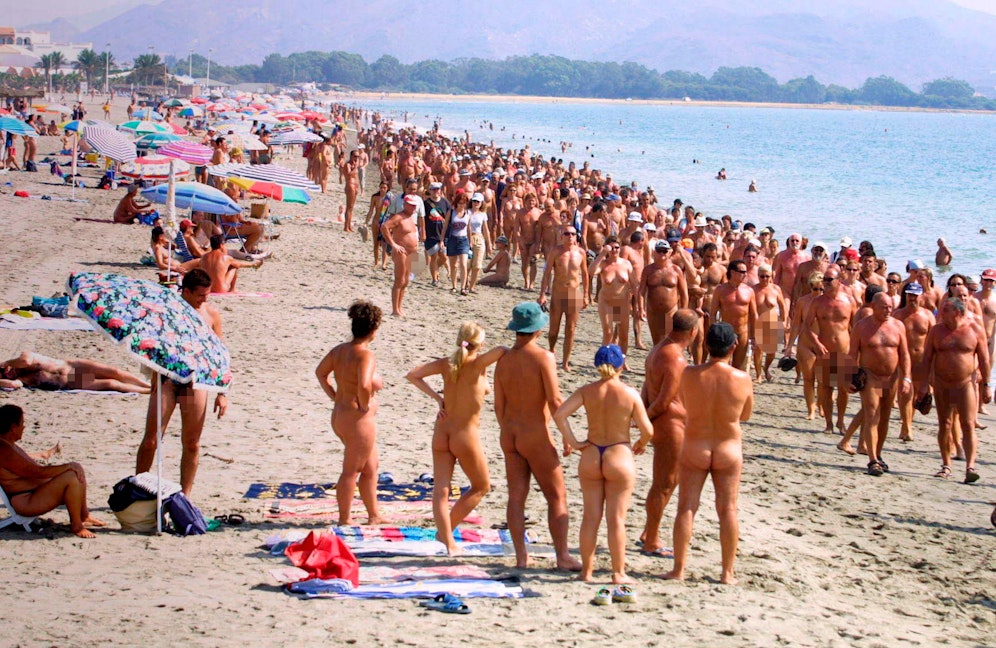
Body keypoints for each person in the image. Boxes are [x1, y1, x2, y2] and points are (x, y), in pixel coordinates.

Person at [493, 303, 582, 571]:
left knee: (516, 497)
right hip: (535, 433)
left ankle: (521, 557)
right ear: (537, 329)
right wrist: (567, 435)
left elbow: (499, 405)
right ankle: (563, 556)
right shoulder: (544, 357)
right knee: (556, 496)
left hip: (510, 433)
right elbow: (555, 400)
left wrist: (508, 429)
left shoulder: (503, 360)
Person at [554, 344, 652, 584]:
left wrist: (574, 442)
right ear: (621, 366)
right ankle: (618, 573)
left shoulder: (587, 391)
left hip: (591, 454)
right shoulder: (629, 393)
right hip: (618, 453)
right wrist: (641, 443)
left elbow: (560, 415)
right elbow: (648, 430)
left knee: (590, 517)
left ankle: (586, 572)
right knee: (616, 519)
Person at [664, 323, 753, 585]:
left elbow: (686, 403)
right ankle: (727, 573)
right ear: (733, 346)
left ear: (706, 345)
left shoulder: (690, 374)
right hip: (727, 446)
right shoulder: (742, 378)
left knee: (686, 507)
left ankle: (679, 569)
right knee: (728, 510)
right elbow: (745, 414)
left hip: (696, 444)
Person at [406, 322, 506, 555]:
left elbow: (413, 375)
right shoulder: (478, 364)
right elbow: (502, 350)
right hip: (465, 434)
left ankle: (447, 540)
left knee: (441, 490)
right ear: (480, 343)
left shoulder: (447, 363)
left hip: (442, 430)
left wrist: (438, 398)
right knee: (481, 486)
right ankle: (446, 533)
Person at [136, 269, 228, 496]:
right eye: (200, 295)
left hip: (195, 381)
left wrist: (222, 392)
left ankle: (185, 495)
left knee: (192, 443)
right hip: (168, 378)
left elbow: (219, 353)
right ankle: (137, 489)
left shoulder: (211, 315)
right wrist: (154, 373)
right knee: (151, 440)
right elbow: (152, 342)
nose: (204, 299)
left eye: (207, 295)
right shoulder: (169, 311)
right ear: (186, 291)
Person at [315, 301, 384, 525]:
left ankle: (374, 515)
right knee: (351, 471)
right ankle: (344, 519)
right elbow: (364, 384)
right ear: (374, 330)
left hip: (340, 415)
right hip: (357, 420)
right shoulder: (365, 355)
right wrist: (364, 405)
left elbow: (320, 373)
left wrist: (334, 396)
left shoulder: (340, 350)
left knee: (371, 467)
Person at [640, 308, 697, 556]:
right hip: (670, 424)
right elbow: (664, 400)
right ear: (693, 332)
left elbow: (647, 385)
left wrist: (643, 413)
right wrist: (645, 418)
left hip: (662, 422)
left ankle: (648, 532)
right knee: (664, 484)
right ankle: (652, 540)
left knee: (666, 482)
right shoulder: (676, 359)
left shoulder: (658, 349)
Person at [0, 404, 104, 538]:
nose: (24, 427)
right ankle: (76, 525)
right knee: (71, 476)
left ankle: (84, 515)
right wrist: (67, 466)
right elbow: (36, 472)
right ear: (13, 427)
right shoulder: (4, 450)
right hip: (26, 502)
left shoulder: (8, 444)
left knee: (76, 470)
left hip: (33, 493)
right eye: (22, 423)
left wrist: (69, 466)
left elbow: (30, 467)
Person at [920, 298, 991, 483]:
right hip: (942, 384)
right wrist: (923, 385)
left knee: (968, 424)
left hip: (965, 384)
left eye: (945, 310)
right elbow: (927, 358)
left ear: (958, 312)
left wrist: (987, 386)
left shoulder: (975, 329)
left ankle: (970, 466)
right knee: (945, 424)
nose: (941, 313)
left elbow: (984, 359)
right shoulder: (936, 331)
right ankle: (946, 465)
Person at [848, 293, 912, 476]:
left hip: (891, 378)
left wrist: (906, 378)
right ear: (874, 306)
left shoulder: (898, 326)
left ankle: (878, 453)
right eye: (884, 307)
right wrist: (848, 377)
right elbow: (852, 354)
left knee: (884, 417)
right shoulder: (861, 327)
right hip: (870, 376)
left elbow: (904, 354)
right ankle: (872, 459)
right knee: (872, 414)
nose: (888, 310)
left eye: (890, 307)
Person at [804, 265, 856, 435]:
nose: (825, 282)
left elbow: (856, 327)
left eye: (829, 280)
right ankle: (828, 423)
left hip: (844, 350)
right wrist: (817, 343)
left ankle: (840, 421)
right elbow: (807, 326)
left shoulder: (849, 301)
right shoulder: (817, 302)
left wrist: (856, 352)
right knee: (826, 387)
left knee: (843, 388)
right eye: (824, 279)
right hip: (825, 351)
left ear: (839, 280)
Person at [538, 224, 590, 371]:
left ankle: (565, 361)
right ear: (562, 236)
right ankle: (551, 350)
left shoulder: (581, 252)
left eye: (573, 234)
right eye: (567, 234)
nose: (570, 236)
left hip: (573, 294)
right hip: (558, 293)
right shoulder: (556, 251)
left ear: (576, 236)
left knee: (570, 329)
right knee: (553, 330)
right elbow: (547, 273)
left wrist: (586, 295)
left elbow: (585, 274)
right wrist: (542, 294)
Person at [894, 282, 936, 442]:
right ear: (906, 296)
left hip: (921, 361)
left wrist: (933, 365)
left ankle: (907, 425)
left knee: (918, 395)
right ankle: (907, 427)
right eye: (910, 295)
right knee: (906, 394)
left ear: (921, 296)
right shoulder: (898, 315)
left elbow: (934, 340)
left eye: (915, 295)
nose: (912, 298)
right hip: (903, 361)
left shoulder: (928, 316)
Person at [591, 236, 639, 365]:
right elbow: (591, 271)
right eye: (611, 248)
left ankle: (621, 362)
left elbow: (634, 284)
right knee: (608, 333)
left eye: (617, 247)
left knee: (623, 335)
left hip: (622, 303)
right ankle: (604, 361)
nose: (614, 250)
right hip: (606, 302)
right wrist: (602, 254)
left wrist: (639, 306)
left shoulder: (626, 264)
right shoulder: (603, 263)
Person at [1, 352, 150, 393]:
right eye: (4, 376)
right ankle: (148, 391)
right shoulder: (25, 378)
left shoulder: (24, 357)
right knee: (111, 383)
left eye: (4, 371)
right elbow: (13, 385)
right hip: (70, 381)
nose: (8, 374)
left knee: (115, 372)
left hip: (72, 367)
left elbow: (26, 362)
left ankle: (147, 385)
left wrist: (7, 363)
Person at [710, 259, 757, 370]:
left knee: (738, 365)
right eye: (742, 272)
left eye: (746, 272)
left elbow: (754, 315)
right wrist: (713, 332)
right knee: (722, 364)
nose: (745, 274)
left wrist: (754, 336)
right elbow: (713, 314)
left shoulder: (749, 291)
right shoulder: (720, 290)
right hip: (726, 332)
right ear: (732, 272)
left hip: (743, 332)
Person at [640, 240, 688, 346]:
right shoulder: (648, 270)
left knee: (669, 342)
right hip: (653, 312)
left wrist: (683, 311)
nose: (662, 253)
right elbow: (641, 291)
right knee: (656, 343)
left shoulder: (676, 270)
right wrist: (641, 308)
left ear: (669, 252)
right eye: (659, 251)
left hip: (671, 311)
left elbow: (684, 293)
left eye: (664, 251)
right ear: (654, 252)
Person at [380, 195, 421, 317]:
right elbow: (384, 227)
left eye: (414, 206)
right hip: (401, 252)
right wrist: (393, 244)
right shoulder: (399, 217)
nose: (413, 207)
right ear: (405, 204)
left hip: (411, 252)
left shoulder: (410, 218)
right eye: (411, 205)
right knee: (399, 280)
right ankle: (395, 309)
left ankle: (399, 307)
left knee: (406, 281)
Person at [752, 263, 788, 382]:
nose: (765, 279)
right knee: (758, 350)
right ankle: (758, 375)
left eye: (767, 276)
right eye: (762, 276)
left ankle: (766, 368)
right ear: (758, 276)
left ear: (771, 276)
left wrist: (784, 321)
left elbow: (782, 306)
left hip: (772, 322)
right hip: (758, 322)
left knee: (771, 352)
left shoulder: (776, 289)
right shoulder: (753, 290)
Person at [443, 191, 472, 294]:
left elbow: (469, 228)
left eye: (464, 203)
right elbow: (445, 227)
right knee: (453, 265)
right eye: (460, 203)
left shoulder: (468, 213)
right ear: (456, 203)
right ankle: (454, 286)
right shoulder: (451, 212)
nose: (462, 205)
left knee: (463, 264)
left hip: (463, 240)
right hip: (452, 239)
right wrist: (442, 240)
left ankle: (463, 287)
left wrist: (470, 241)